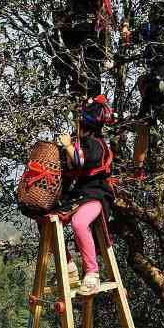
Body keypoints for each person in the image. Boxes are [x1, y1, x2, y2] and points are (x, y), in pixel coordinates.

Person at [120, 1, 164, 179]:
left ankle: (138, 170)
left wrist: (125, 23)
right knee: (144, 84)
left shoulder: (149, 28)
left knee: (143, 126)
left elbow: (126, 39)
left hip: (158, 85)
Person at [56, 94, 115, 295]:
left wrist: (67, 146)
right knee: (47, 220)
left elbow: (81, 162)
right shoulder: (84, 141)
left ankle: (92, 272)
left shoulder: (96, 144)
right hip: (79, 194)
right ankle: (69, 265)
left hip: (96, 194)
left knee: (80, 223)